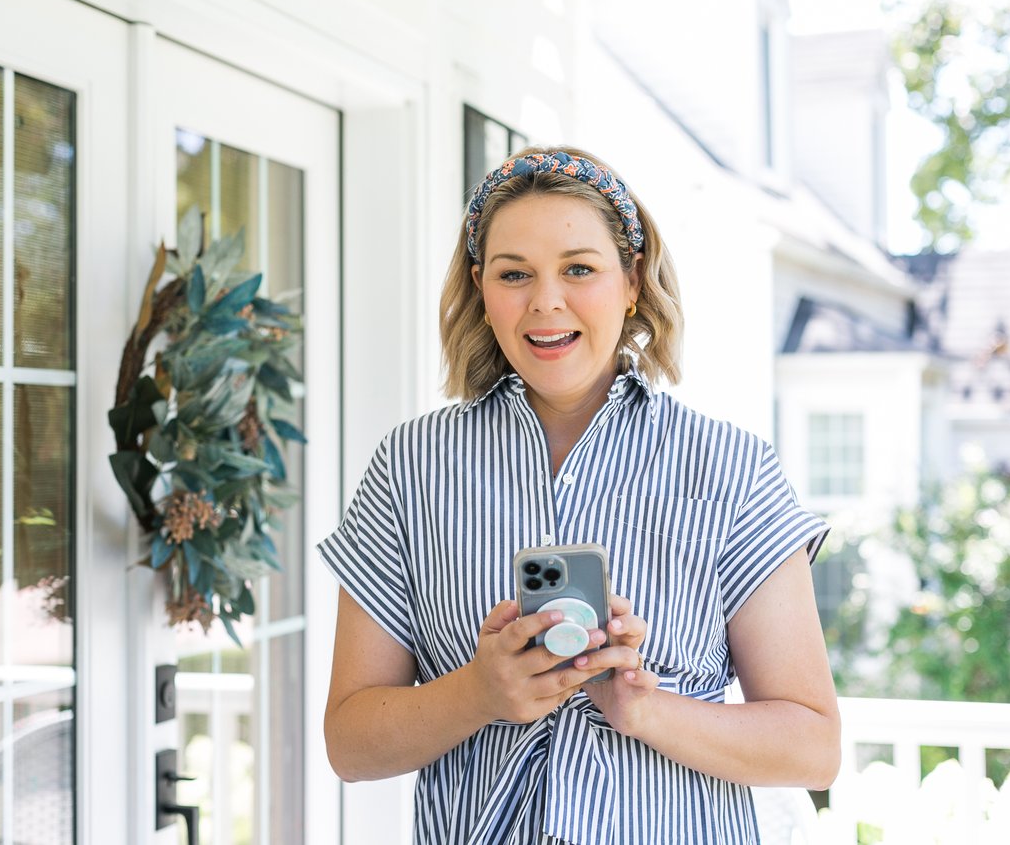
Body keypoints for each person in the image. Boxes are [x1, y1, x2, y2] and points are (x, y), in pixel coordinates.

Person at [320, 147, 840, 844]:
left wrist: (645, 709)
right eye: (514, 274)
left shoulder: (730, 467)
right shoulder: (410, 467)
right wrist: (480, 691)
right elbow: (350, 743)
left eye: (579, 269)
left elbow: (814, 746)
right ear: (482, 287)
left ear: (631, 280)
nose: (546, 301)